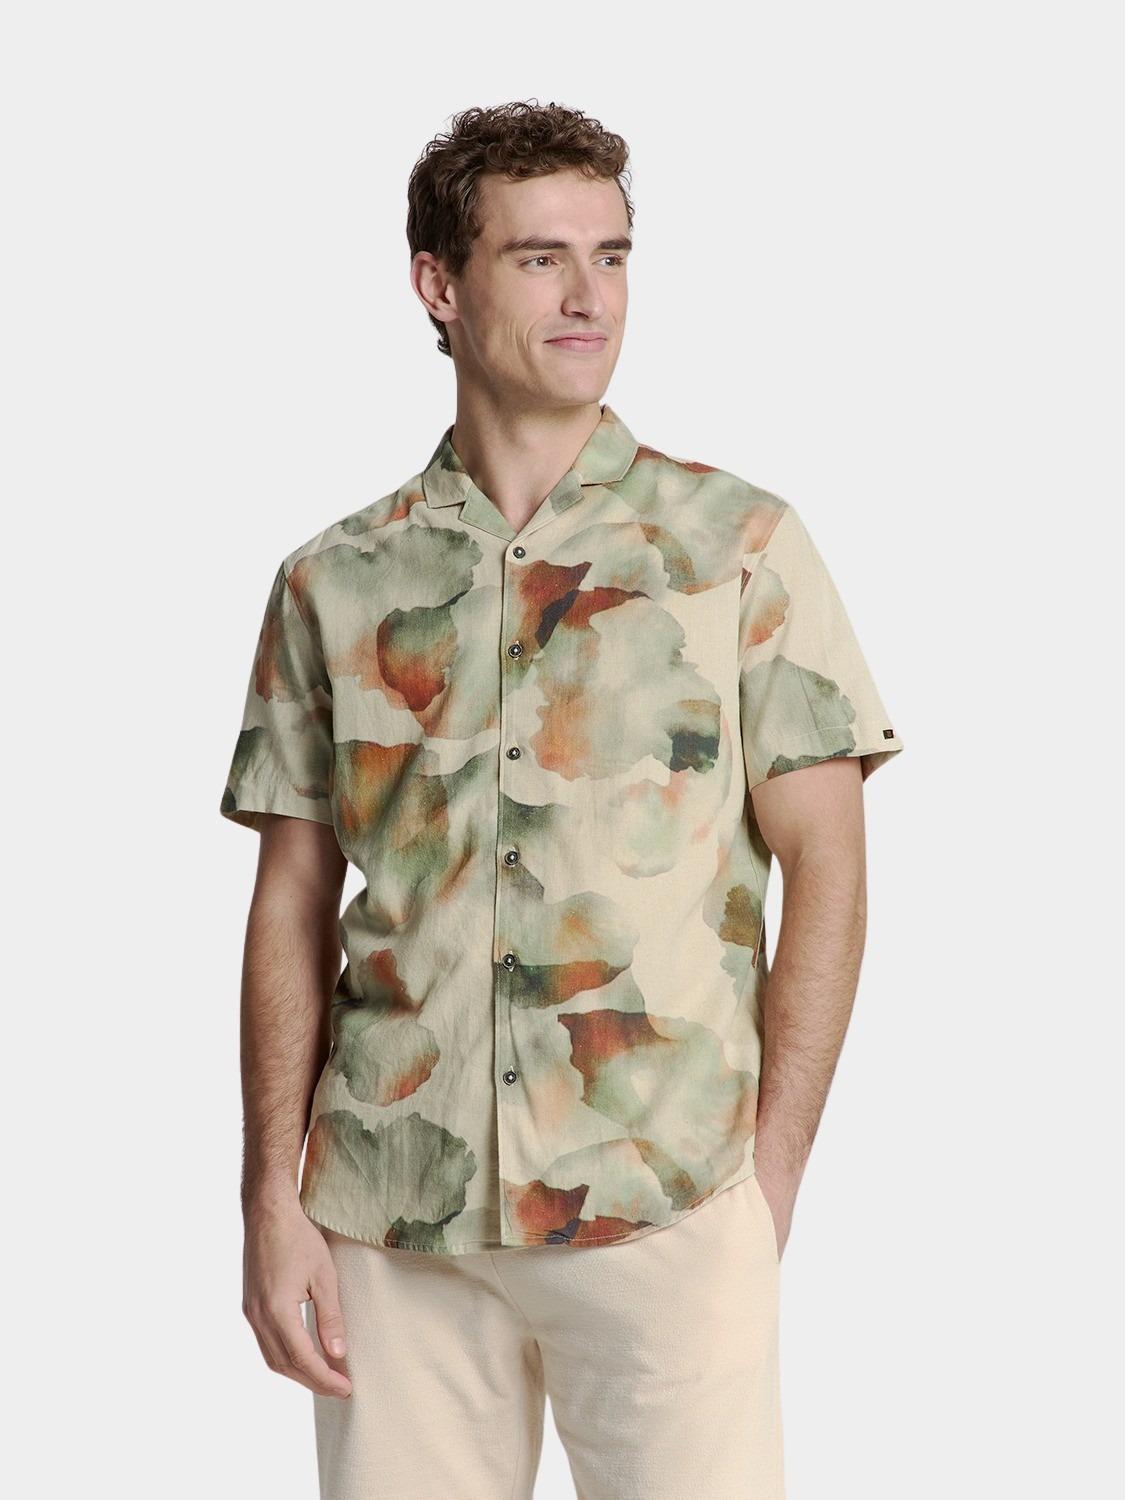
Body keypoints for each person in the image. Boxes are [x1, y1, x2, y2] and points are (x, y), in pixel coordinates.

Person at [220, 99, 904, 1500]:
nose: (589, 295)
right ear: (439, 283)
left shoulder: (737, 545)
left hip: (663, 1197)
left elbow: (829, 868)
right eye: (540, 258)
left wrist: (765, 1181)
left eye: (612, 254)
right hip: (395, 1215)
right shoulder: (333, 579)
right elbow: (291, 901)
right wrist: (271, 1200)